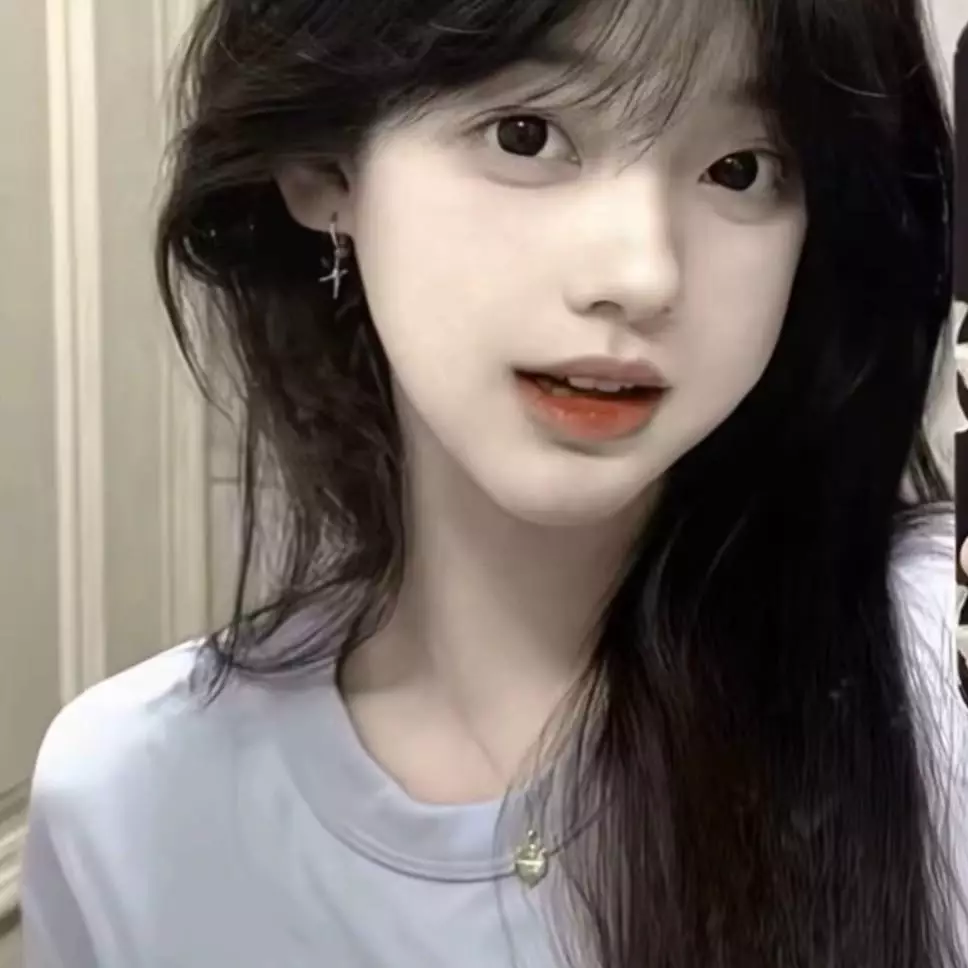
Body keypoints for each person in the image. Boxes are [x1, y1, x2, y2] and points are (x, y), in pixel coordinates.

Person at [18, 0, 968, 965]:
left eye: (742, 170)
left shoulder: (940, 680)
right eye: (527, 134)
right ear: (324, 168)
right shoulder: (128, 809)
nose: (642, 274)